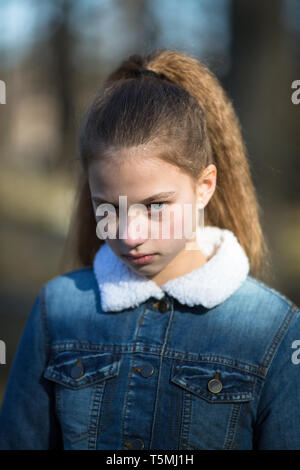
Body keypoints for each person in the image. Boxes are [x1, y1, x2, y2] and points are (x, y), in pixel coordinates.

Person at [0, 48, 299, 450]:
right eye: (107, 207)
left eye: (155, 206)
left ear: (204, 186)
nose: (129, 234)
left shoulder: (274, 329)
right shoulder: (58, 309)